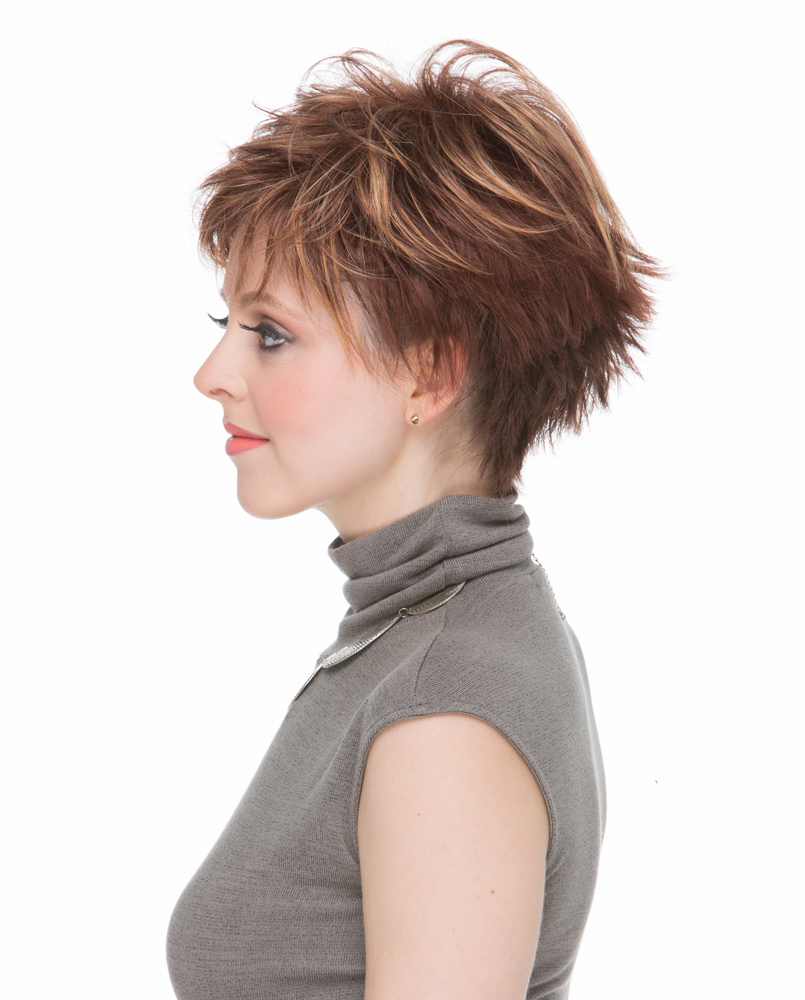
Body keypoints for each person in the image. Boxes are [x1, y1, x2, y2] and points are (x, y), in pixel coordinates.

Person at [166, 39, 663, 1000]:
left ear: (427, 375)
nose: (211, 374)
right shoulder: (434, 633)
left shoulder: (443, 705)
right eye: (225, 324)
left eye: (271, 333)